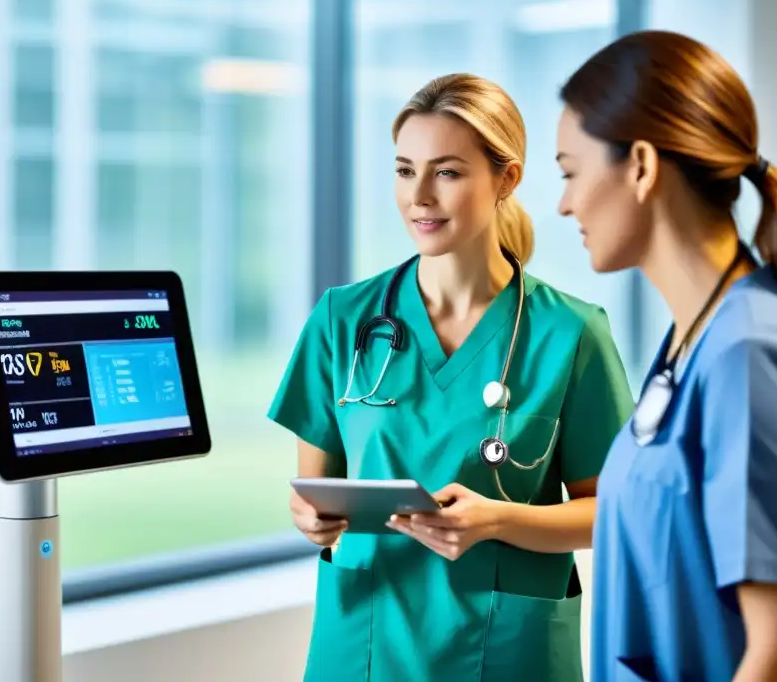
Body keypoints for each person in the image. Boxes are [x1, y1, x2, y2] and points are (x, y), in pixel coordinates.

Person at [268, 72, 635, 681]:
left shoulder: (570, 333)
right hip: (363, 642)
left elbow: (614, 511)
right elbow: (314, 498)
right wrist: (310, 519)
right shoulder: (343, 320)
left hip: (504, 649)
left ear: (506, 179)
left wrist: (497, 519)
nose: (420, 198)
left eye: (447, 172)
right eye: (405, 170)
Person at [555, 29, 777, 682]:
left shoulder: (753, 352)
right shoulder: (692, 343)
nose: (564, 203)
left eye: (570, 172)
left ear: (642, 166)